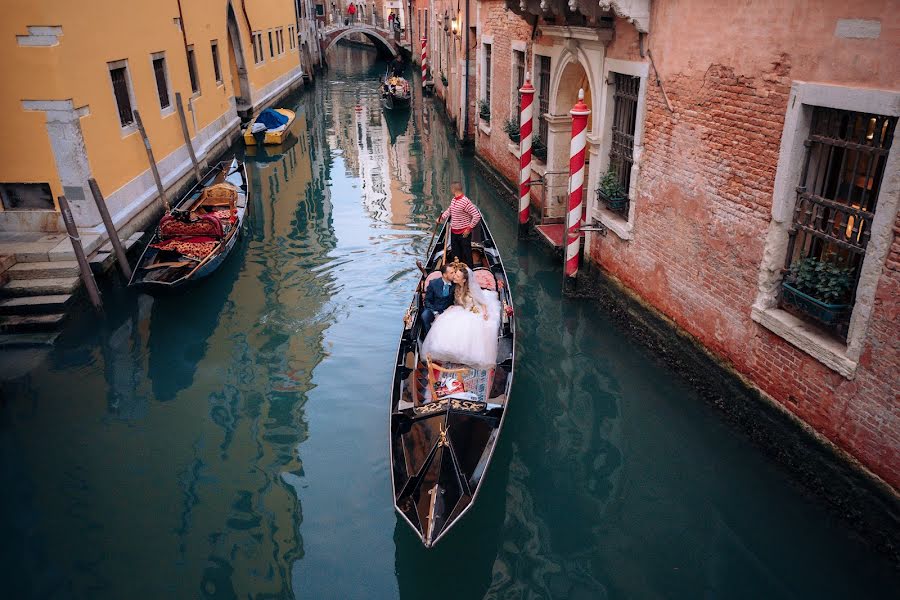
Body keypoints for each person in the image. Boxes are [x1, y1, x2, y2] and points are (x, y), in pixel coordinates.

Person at [421, 264, 501, 369]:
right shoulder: (454, 285)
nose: (454, 276)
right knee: (443, 323)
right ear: (445, 275)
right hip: (458, 308)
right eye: (453, 274)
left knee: (469, 328)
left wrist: (485, 312)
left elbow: (482, 302)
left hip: (472, 310)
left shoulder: (467, 288)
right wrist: (448, 308)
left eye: (457, 275)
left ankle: (466, 355)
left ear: (463, 280)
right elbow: (450, 300)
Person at [438, 182, 482, 267]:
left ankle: (470, 270)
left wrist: (469, 229)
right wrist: (441, 218)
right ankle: (457, 270)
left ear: (453, 189)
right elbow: (449, 210)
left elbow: (477, 215)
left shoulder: (465, 202)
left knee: (467, 254)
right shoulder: (454, 200)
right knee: (455, 254)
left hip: (464, 233)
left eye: (451, 189)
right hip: (454, 232)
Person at [421, 263, 456, 335]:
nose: (454, 274)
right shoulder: (433, 283)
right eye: (452, 273)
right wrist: (435, 313)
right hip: (433, 309)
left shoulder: (455, 283)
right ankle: (428, 335)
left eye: (454, 272)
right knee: (425, 315)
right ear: (445, 275)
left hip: (448, 310)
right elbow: (427, 301)